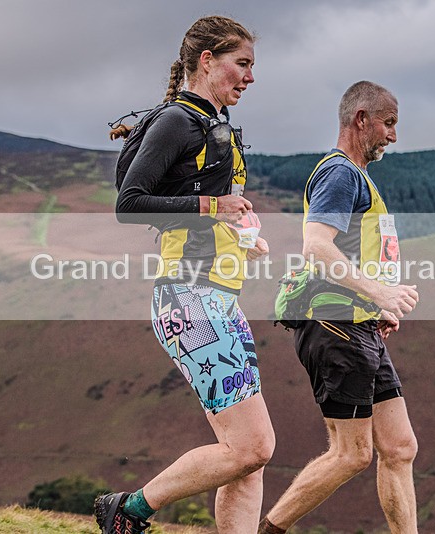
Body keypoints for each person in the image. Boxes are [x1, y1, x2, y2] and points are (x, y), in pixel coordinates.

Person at [95, 16, 275, 534]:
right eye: (241, 64)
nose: (250, 77)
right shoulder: (178, 120)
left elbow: (202, 211)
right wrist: (213, 205)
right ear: (206, 60)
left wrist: (240, 238)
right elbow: (130, 204)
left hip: (217, 295)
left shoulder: (212, 125)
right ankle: (127, 511)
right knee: (253, 446)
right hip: (189, 298)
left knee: (247, 454)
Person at [259, 81, 420, 533]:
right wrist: (378, 293)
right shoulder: (340, 173)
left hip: (358, 323)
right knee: (351, 454)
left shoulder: (357, 177)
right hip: (335, 326)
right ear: (361, 119)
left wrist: (377, 303)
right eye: (388, 124)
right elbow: (316, 246)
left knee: (400, 446)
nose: (393, 136)